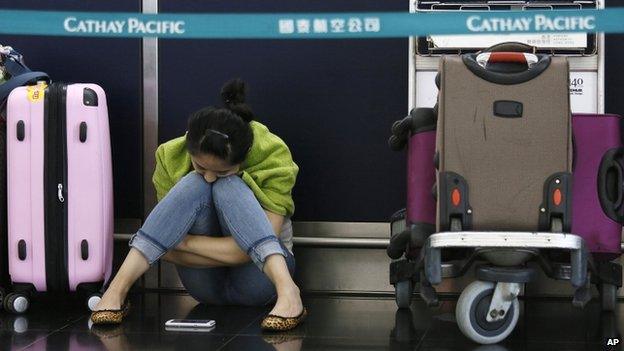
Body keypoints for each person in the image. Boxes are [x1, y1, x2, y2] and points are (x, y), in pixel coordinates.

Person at [91, 79, 306, 331]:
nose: (210, 175)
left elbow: (172, 246)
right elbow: (165, 248)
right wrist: (173, 243)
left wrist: (182, 241)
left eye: (223, 170)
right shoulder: (171, 156)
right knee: (194, 183)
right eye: (201, 165)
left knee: (229, 187)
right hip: (204, 286)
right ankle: (116, 290)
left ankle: (289, 294)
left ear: (244, 157)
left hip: (260, 279)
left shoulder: (271, 154)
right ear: (188, 148)